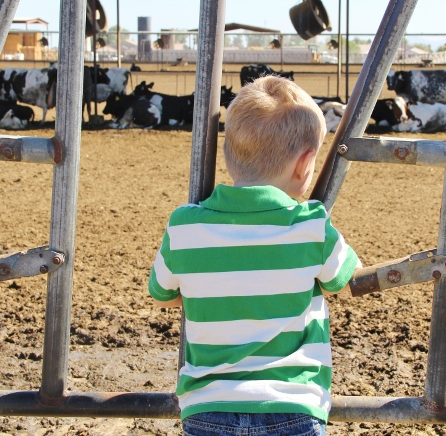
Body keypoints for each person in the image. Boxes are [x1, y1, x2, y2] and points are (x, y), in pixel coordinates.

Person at [148, 76, 360, 436]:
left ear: (229, 154)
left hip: (207, 409)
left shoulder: (184, 227)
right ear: (305, 164)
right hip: (292, 404)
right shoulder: (310, 226)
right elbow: (341, 280)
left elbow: (163, 295)